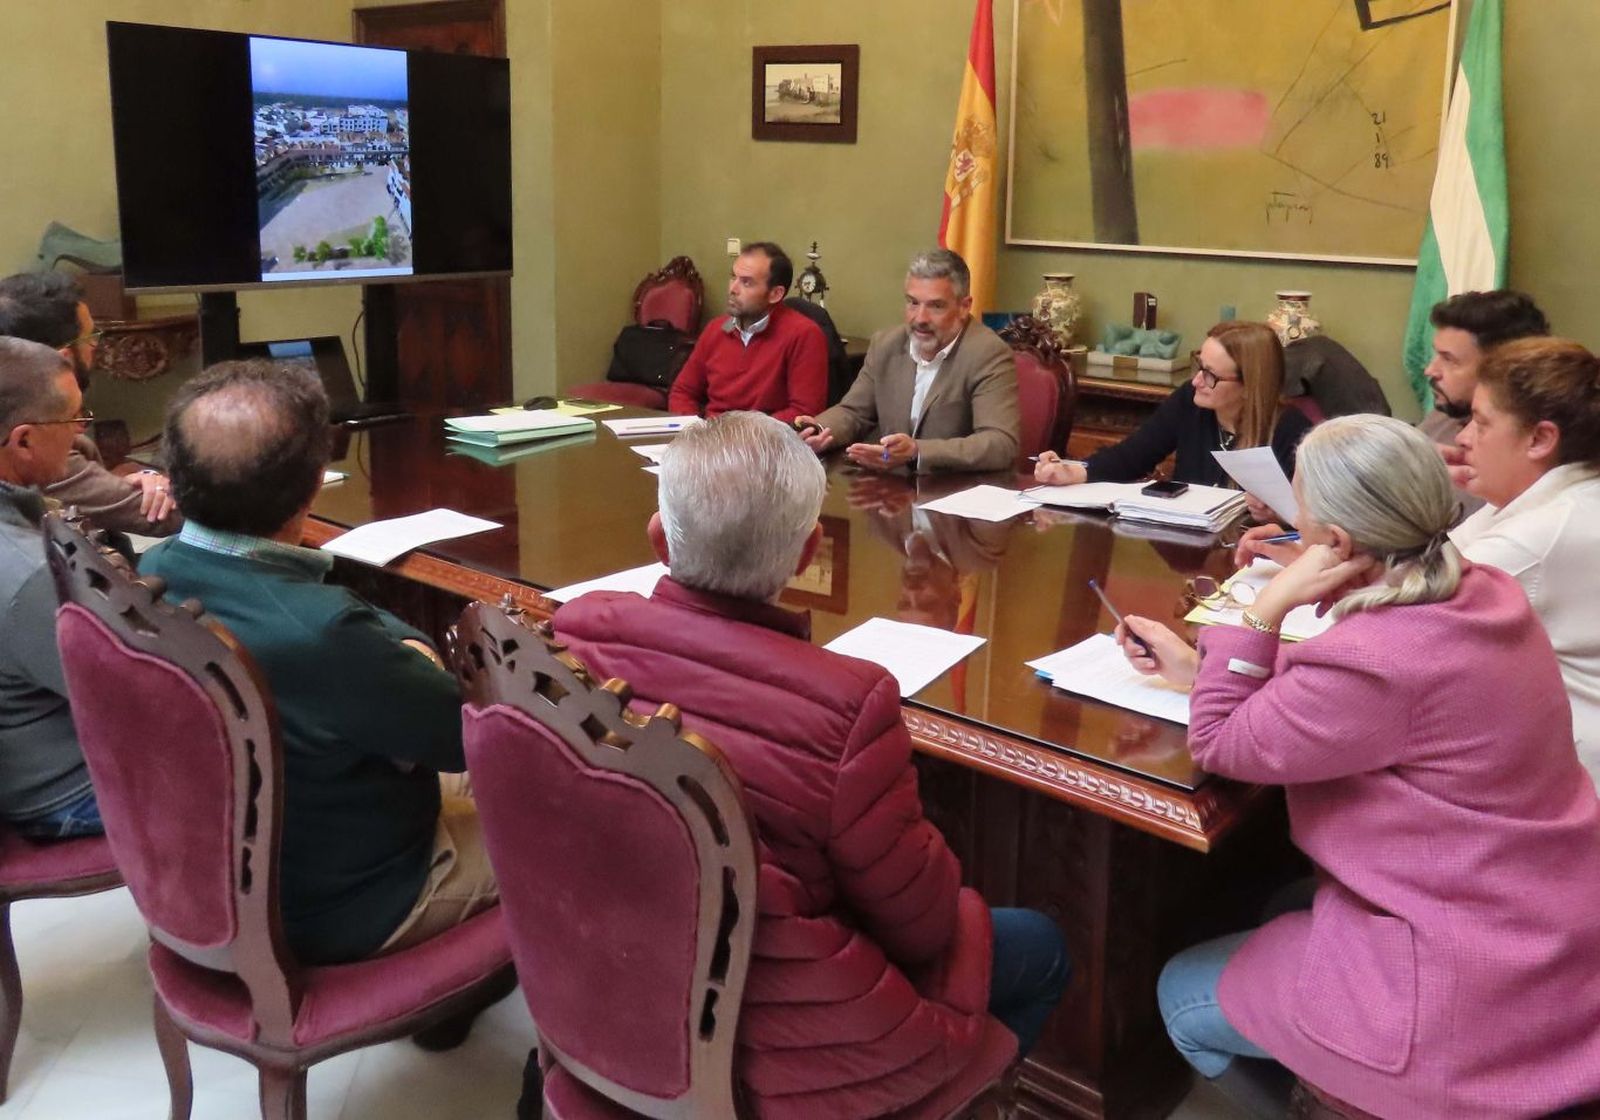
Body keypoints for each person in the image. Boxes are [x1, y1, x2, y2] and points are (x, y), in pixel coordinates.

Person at [553, 411, 1068, 1118]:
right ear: (809, 554)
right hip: (784, 1052)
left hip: (607, 979)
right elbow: (923, 926)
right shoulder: (846, 705)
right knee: (1039, 947)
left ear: (657, 538)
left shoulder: (577, 631)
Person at [1116, 415, 1600, 1118]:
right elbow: (1354, 704)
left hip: (1463, 986)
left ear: (1338, 543)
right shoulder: (1484, 590)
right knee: (1281, 904)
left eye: (1303, 522)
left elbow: (1219, 741)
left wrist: (1261, 613)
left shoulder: (1376, 660)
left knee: (1181, 995)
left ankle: (1339, 1105)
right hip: (1545, 923)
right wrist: (1203, 669)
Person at [139, 361, 496, 966]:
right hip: (350, 904)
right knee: (568, 824)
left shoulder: (152, 571)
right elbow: (464, 739)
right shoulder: (321, 632)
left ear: (174, 477)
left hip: (212, 875)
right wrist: (415, 648)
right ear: (314, 485)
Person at [1450, 337, 1600, 790]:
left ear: (1539, 439)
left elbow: (1397, 613)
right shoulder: (1556, 495)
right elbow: (1431, 564)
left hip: (1569, 785)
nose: (1462, 438)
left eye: (1480, 423)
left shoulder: (1545, 533)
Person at [1034, 321, 1312, 506]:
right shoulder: (1189, 403)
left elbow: (1310, 521)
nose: (1196, 381)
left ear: (1250, 387)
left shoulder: (1293, 433)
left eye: (1210, 375)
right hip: (1189, 552)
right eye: (1199, 366)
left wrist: (1274, 516)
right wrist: (1071, 471)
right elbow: (1130, 457)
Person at [0, 338, 102, 839]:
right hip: (65, 792)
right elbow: (132, 698)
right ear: (22, 441)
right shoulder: (28, 573)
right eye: (74, 421)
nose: (82, 436)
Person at [796, 248, 1020, 473]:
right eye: (913, 303)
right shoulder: (886, 344)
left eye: (936, 306)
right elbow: (854, 412)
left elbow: (1000, 443)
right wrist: (818, 429)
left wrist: (918, 451)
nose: (920, 318)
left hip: (954, 491)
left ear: (964, 307)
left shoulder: (988, 353)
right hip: (889, 490)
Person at [0, 272, 181, 535]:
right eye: (89, 336)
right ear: (61, 358)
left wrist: (137, 480)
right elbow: (164, 516)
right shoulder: (42, 451)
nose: (96, 343)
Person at [666, 241, 828, 423]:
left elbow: (804, 412)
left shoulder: (804, 335)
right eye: (733, 277)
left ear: (775, 294)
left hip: (764, 443)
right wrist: (692, 429)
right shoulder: (715, 329)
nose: (733, 289)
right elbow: (683, 392)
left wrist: (741, 434)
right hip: (710, 439)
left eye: (746, 282)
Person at [1417, 289, 1549, 512]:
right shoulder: (1444, 415)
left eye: (1449, 360)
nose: (1431, 370)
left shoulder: (1522, 452)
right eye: (1436, 355)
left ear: (1501, 366)